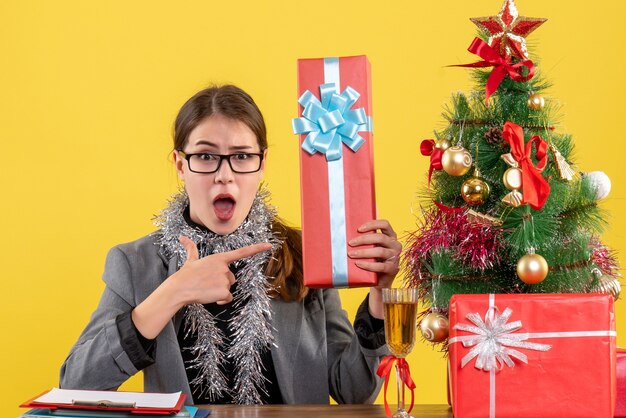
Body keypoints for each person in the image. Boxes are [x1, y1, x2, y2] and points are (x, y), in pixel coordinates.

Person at [60, 84, 402, 405]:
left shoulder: (303, 254)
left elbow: (353, 391)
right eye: (206, 157)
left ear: (262, 163)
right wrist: (171, 293)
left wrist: (378, 296)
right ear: (180, 164)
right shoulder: (135, 263)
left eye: (241, 156)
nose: (225, 175)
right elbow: (76, 385)